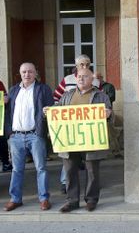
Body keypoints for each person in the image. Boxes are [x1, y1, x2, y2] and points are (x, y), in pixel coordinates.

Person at [49, 68, 112, 213]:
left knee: (92, 171)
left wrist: (108, 114)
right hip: (70, 140)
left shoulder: (101, 96)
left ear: (92, 80)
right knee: (70, 170)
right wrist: (50, 112)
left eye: (85, 76)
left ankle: (91, 200)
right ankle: (72, 201)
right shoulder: (67, 95)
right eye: (78, 77)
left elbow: (109, 114)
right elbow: (58, 111)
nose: (81, 79)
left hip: (92, 140)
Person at [3, 62, 54, 211]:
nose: (27, 74)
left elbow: (51, 109)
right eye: (24, 72)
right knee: (16, 169)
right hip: (16, 136)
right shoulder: (13, 91)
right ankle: (15, 199)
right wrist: (9, 133)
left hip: (35, 135)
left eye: (30, 72)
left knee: (41, 168)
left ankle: (44, 199)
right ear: (20, 73)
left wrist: (48, 111)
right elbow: (7, 113)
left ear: (35, 73)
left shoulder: (43, 89)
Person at [54, 55, 91, 193]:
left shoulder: (96, 81)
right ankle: (65, 182)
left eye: (87, 64)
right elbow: (56, 98)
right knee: (69, 156)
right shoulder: (67, 80)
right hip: (70, 126)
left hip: (88, 126)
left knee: (89, 158)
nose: (85, 67)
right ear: (76, 66)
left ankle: (90, 184)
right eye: (82, 64)